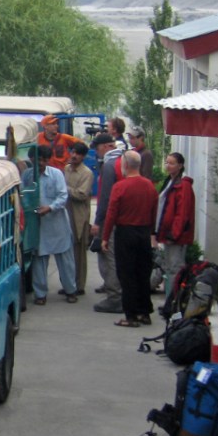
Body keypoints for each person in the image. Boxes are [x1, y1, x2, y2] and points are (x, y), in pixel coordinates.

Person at [102, 151, 159, 327]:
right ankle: (144, 312)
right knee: (142, 273)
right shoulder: (149, 186)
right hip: (143, 232)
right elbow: (154, 211)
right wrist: (152, 233)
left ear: (125, 165)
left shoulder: (120, 187)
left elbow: (111, 213)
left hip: (125, 233)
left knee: (126, 274)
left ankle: (131, 315)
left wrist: (105, 236)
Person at [21, 144, 77, 305]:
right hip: (36, 224)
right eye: (37, 160)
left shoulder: (56, 174)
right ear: (31, 159)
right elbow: (23, 194)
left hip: (57, 223)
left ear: (47, 160)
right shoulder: (27, 175)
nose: (40, 163)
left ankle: (70, 290)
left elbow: (62, 196)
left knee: (65, 260)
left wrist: (50, 208)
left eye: (43, 160)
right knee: (39, 258)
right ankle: (40, 294)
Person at [90, 133, 125, 314]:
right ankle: (121, 295)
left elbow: (105, 198)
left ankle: (114, 298)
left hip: (110, 220)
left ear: (105, 147)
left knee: (108, 257)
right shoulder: (124, 162)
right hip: (125, 220)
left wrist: (98, 222)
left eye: (97, 148)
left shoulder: (109, 166)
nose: (96, 152)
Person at [155, 152, 196, 300]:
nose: (168, 166)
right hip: (167, 234)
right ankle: (171, 301)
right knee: (170, 267)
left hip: (175, 236)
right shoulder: (170, 182)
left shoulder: (182, 186)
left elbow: (182, 213)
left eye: (171, 163)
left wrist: (174, 234)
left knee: (175, 268)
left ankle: (174, 302)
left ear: (180, 166)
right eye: (167, 162)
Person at [64, 141, 93, 296]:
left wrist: (64, 188)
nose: (74, 156)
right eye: (73, 152)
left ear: (83, 157)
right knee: (66, 251)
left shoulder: (86, 173)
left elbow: (82, 194)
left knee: (79, 253)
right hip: (65, 214)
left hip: (79, 217)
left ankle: (79, 285)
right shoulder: (66, 169)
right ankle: (69, 283)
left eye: (78, 154)